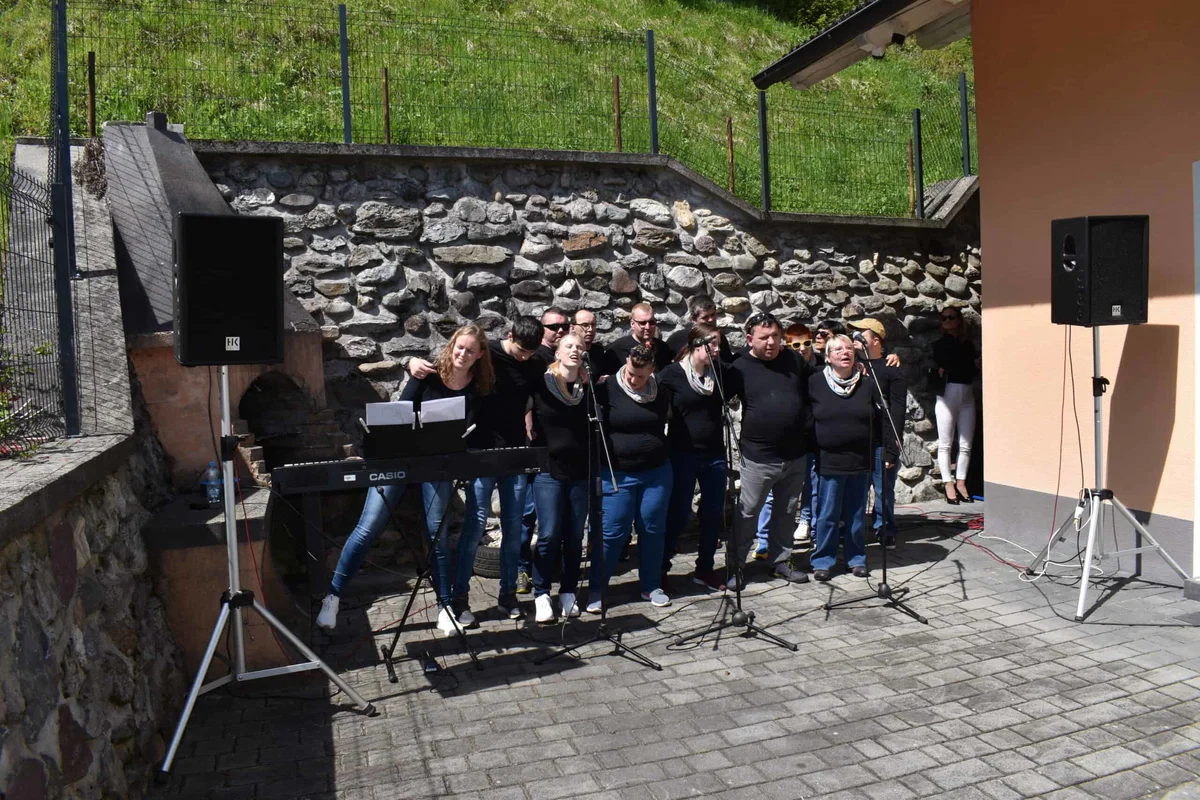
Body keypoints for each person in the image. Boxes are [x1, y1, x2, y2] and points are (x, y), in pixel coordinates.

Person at [317, 325, 494, 636]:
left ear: (480, 355)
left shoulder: (477, 390)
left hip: (437, 466)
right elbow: (398, 414)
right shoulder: (427, 374)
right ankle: (332, 596)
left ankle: (444, 607)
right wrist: (410, 365)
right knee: (368, 526)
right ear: (451, 346)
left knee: (436, 531)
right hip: (396, 460)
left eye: (470, 350)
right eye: (459, 347)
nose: (462, 354)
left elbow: (466, 432)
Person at [405, 318, 543, 620]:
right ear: (509, 336)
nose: (524, 357)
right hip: (480, 452)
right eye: (520, 350)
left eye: (529, 353)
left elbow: (544, 383)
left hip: (515, 453)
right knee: (475, 526)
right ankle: (460, 598)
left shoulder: (535, 360)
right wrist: (409, 360)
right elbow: (440, 365)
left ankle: (508, 595)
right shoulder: (486, 351)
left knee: (513, 527)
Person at [727, 312, 813, 587]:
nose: (772, 342)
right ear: (750, 339)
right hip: (758, 457)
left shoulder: (793, 360)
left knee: (787, 513)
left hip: (795, 454)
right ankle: (736, 565)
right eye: (765, 338)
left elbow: (817, 380)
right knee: (748, 512)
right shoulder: (739, 367)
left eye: (776, 336)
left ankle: (781, 561)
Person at [589, 344, 674, 610]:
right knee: (613, 532)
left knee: (652, 529)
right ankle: (596, 589)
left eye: (642, 376)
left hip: (656, 472)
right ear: (626, 362)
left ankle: (650, 586)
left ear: (652, 370)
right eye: (631, 374)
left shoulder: (659, 389)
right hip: (618, 473)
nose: (635, 381)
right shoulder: (606, 388)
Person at [658, 323, 728, 591]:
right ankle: (662, 568)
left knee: (712, 514)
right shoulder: (672, 374)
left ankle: (706, 568)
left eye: (719, 345)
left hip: (714, 455)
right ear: (696, 345)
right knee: (677, 514)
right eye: (712, 345)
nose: (717, 350)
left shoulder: (720, 373)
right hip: (682, 453)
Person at [529, 333, 591, 623]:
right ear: (557, 352)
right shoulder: (541, 384)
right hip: (549, 470)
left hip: (580, 470)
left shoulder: (587, 389)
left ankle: (568, 591)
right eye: (569, 346)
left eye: (579, 347)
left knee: (575, 534)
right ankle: (541, 592)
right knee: (550, 533)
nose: (575, 350)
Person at [807, 334, 878, 581]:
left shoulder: (868, 384)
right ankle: (823, 560)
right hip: (829, 459)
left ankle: (856, 559)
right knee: (827, 513)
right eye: (837, 349)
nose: (845, 352)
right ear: (827, 357)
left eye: (849, 348)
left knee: (856, 514)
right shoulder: (815, 382)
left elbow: (879, 420)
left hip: (860, 459)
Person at [519, 306, 573, 592]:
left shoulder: (567, 357)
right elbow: (526, 396)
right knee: (528, 514)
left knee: (555, 521)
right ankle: (522, 572)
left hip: (558, 452)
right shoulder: (534, 358)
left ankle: (548, 569)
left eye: (565, 325)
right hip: (534, 447)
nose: (560, 330)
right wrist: (528, 421)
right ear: (542, 330)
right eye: (554, 327)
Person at [753, 322, 814, 557]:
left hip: (811, 439)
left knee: (809, 491)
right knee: (769, 496)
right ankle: (763, 541)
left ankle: (806, 530)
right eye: (795, 344)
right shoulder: (784, 366)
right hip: (781, 443)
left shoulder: (818, 366)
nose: (801, 348)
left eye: (806, 343)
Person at [848, 318, 907, 549]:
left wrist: (894, 445)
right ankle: (855, 530)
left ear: (875, 340)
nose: (854, 340)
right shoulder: (851, 365)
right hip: (859, 439)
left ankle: (885, 529)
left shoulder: (892, 369)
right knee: (857, 491)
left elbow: (898, 409)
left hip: (882, 440)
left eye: (860, 335)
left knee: (883, 490)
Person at [932, 305, 979, 504]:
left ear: (959, 319)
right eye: (944, 318)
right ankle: (948, 483)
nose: (948, 321)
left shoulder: (968, 344)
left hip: (967, 393)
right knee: (945, 443)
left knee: (966, 443)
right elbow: (949, 363)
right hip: (947, 393)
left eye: (951, 317)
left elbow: (972, 370)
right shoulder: (940, 344)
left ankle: (961, 481)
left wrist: (969, 364)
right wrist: (969, 363)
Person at [601, 302, 672, 374]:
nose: (648, 327)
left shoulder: (663, 347)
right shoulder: (617, 349)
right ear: (632, 324)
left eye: (651, 322)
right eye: (642, 323)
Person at [665, 295, 735, 363]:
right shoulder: (678, 339)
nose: (711, 319)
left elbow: (728, 364)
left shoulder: (720, 338)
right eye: (705, 317)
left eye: (713, 314)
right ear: (694, 319)